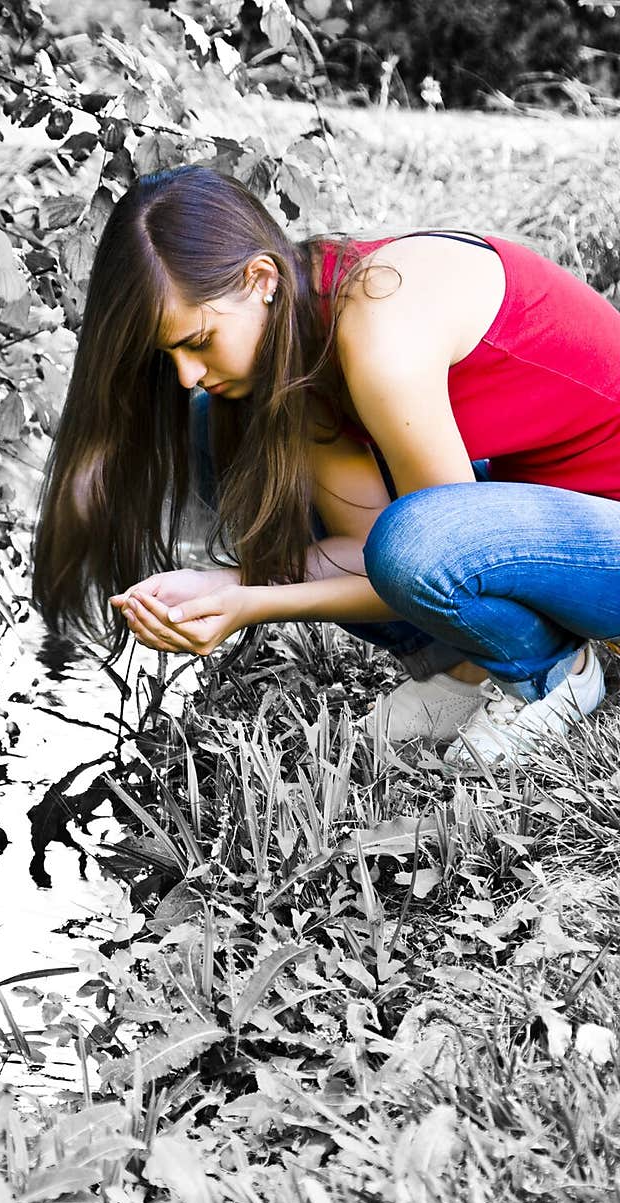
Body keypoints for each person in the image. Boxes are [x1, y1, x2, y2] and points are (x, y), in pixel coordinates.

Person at [32, 164, 620, 768]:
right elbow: (365, 550)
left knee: (416, 542)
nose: (185, 375)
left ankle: (553, 674)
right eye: (169, 353)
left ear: (260, 277)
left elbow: (434, 553)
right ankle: (461, 668)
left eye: (198, 341)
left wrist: (255, 603)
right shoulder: (300, 330)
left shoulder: (379, 329)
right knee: (221, 425)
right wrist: (229, 585)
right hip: (550, 524)